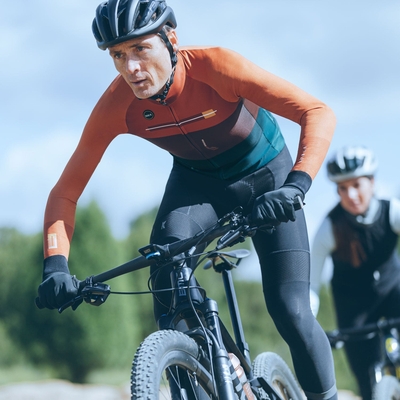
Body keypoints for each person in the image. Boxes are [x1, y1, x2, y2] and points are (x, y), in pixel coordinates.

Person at [37, 1, 338, 399]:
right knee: (164, 274)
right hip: (198, 185)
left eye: (140, 49)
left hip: (267, 179)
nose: (131, 68)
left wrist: (296, 186)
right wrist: (55, 265)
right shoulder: (118, 104)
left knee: (290, 309)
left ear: (171, 40)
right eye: (118, 56)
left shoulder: (217, 67)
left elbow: (317, 111)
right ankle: (223, 373)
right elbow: (65, 192)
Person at [310, 146, 400, 400]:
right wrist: (308, 328)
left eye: (357, 185)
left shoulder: (392, 211)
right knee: (367, 381)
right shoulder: (330, 228)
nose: (351, 195)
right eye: (342, 188)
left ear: (372, 182)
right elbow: (311, 286)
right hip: (353, 307)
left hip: (393, 291)